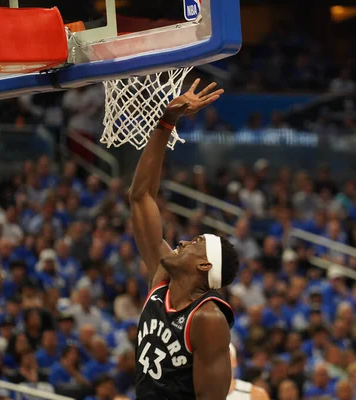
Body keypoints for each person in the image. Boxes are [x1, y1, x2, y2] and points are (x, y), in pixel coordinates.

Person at [130, 79, 240, 400]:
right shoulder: (161, 279)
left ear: (205, 265)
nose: (181, 243)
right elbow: (140, 199)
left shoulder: (207, 318)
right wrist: (166, 123)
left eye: (195, 244)